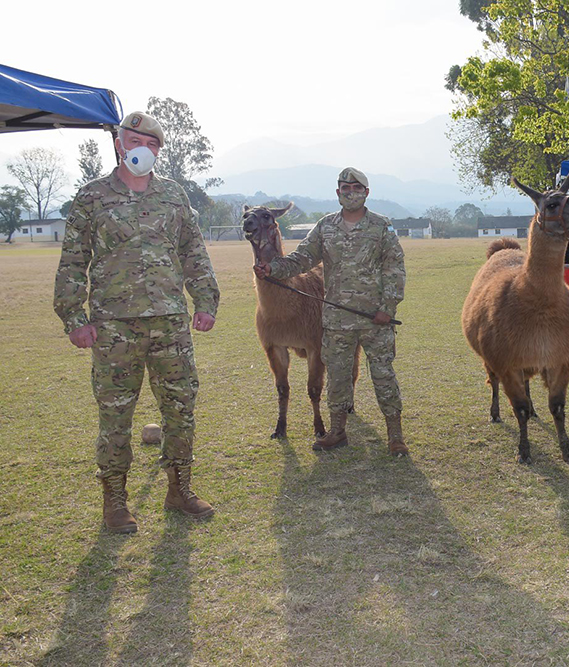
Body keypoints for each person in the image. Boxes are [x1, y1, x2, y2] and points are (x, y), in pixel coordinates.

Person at [54, 111, 220, 533]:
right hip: (114, 327)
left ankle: (179, 488)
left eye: (152, 143)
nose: (141, 148)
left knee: (181, 408)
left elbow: (193, 252)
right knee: (115, 415)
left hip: (170, 323)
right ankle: (115, 502)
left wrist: (205, 301)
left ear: (159, 150)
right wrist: (75, 317)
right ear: (119, 144)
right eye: (133, 139)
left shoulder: (174, 196)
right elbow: (73, 262)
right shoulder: (92, 197)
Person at [254, 167, 408, 456]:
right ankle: (337, 432)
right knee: (337, 377)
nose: (351, 193)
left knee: (384, 376)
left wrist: (387, 308)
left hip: (375, 319)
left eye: (357, 188)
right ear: (338, 193)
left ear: (366, 193)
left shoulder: (381, 226)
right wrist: (272, 269)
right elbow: (301, 259)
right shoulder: (325, 227)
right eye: (345, 189)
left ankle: (395, 435)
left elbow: (395, 269)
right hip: (336, 320)